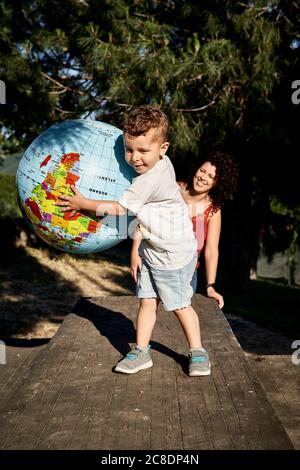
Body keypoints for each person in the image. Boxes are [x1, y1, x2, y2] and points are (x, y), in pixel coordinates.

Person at [57, 105, 210, 377]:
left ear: (163, 148)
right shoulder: (162, 162)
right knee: (146, 301)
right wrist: (137, 248)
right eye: (129, 150)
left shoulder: (150, 179)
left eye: (143, 151)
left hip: (173, 254)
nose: (134, 158)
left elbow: (122, 209)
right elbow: (146, 216)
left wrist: (83, 203)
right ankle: (141, 351)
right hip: (154, 248)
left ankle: (198, 351)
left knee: (180, 305)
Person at [176, 151, 238, 310]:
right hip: (156, 264)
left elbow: (211, 250)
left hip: (187, 275)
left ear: (218, 183)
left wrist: (210, 286)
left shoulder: (213, 210)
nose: (203, 177)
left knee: (175, 328)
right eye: (202, 171)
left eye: (211, 176)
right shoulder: (173, 190)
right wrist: (136, 252)